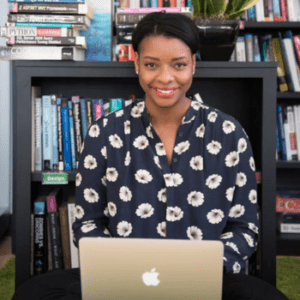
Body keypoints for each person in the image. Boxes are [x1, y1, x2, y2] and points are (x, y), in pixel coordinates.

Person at [12, 12, 289, 300]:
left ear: (193, 64)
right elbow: (87, 222)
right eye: (151, 65)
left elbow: (244, 226)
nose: (165, 77)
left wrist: (203, 271)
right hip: (123, 280)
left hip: (206, 280)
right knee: (33, 293)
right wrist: (120, 271)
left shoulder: (230, 133)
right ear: (136, 65)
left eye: (179, 65)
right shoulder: (104, 132)